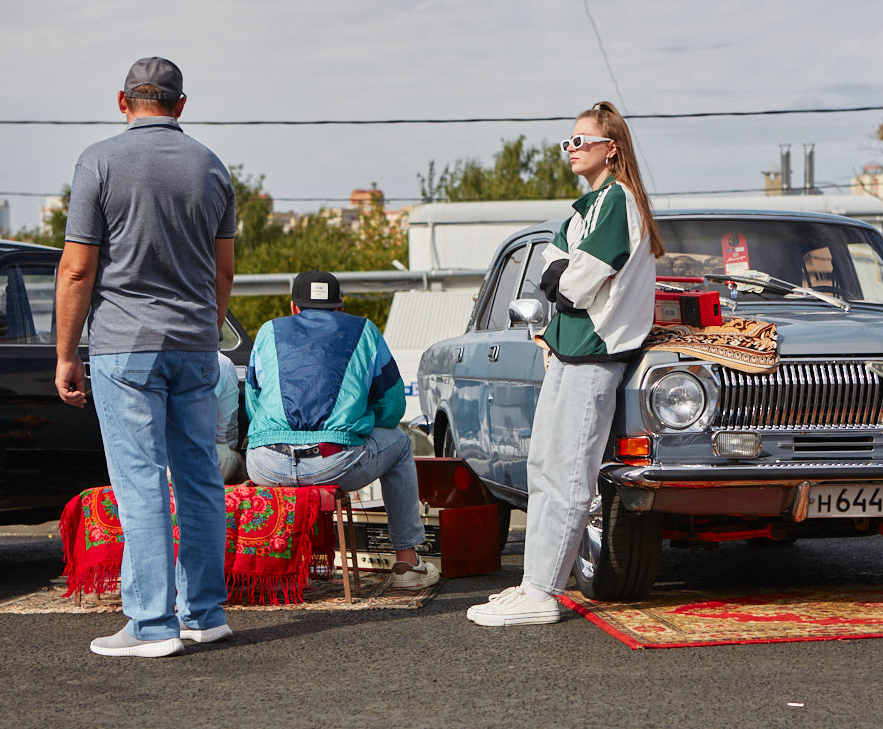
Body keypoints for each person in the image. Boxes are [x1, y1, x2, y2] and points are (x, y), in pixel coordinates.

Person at [55, 57, 236, 658]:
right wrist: (205, 332)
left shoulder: (99, 161)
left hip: (124, 347)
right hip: (194, 345)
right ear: (181, 105)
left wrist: (65, 354)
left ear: (123, 100)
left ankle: (152, 627)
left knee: (141, 483)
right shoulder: (211, 166)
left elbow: (78, 267)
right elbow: (224, 268)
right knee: (200, 478)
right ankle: (206, 615)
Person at [467, 101, 664, 627]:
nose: (571, 149)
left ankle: (545, 594)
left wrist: (565, 279)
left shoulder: (618, 202)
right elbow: (553, 267)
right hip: (567, 352)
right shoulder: (584, 208)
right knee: (544, 469)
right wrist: (564, 277)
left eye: (581, 139)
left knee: (570, 475)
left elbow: (574, 286)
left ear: (611, 147)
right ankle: (533, 585)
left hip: (594, 355)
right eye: (569, 141)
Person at [243, 270, 438, 591]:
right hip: (332, 462)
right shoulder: (364, 330)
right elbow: (392, 409)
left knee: (267, 449)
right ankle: (408, 563)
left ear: (293, 307)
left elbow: (254, 405)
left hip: (267, 463)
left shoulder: (268, 331)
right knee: (402, 443)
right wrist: (357, 420)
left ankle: (285, 567)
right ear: (341, 307)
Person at [215, 353, 245, 484]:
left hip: (150, 461)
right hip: (194, 461)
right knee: (235, 458)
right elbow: (225, 439)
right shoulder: (222, 363)